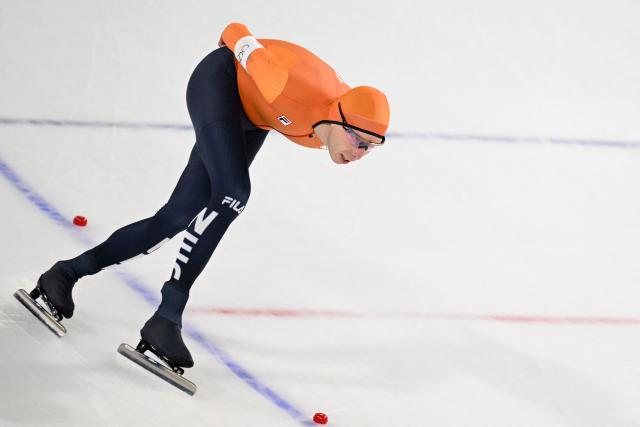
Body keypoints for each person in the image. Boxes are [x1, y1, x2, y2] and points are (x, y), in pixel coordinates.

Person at [34, 22, 390, 369]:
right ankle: (168, 314)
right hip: (218, 83)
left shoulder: (332, 132)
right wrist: (240, 50)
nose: (359, 153)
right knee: (233, 192)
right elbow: (235, 31)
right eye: (359, 141)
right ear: (338, 119)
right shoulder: (286, 84)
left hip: (252, 116)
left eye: (371, 148)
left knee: (174, 218)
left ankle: (64, 274)